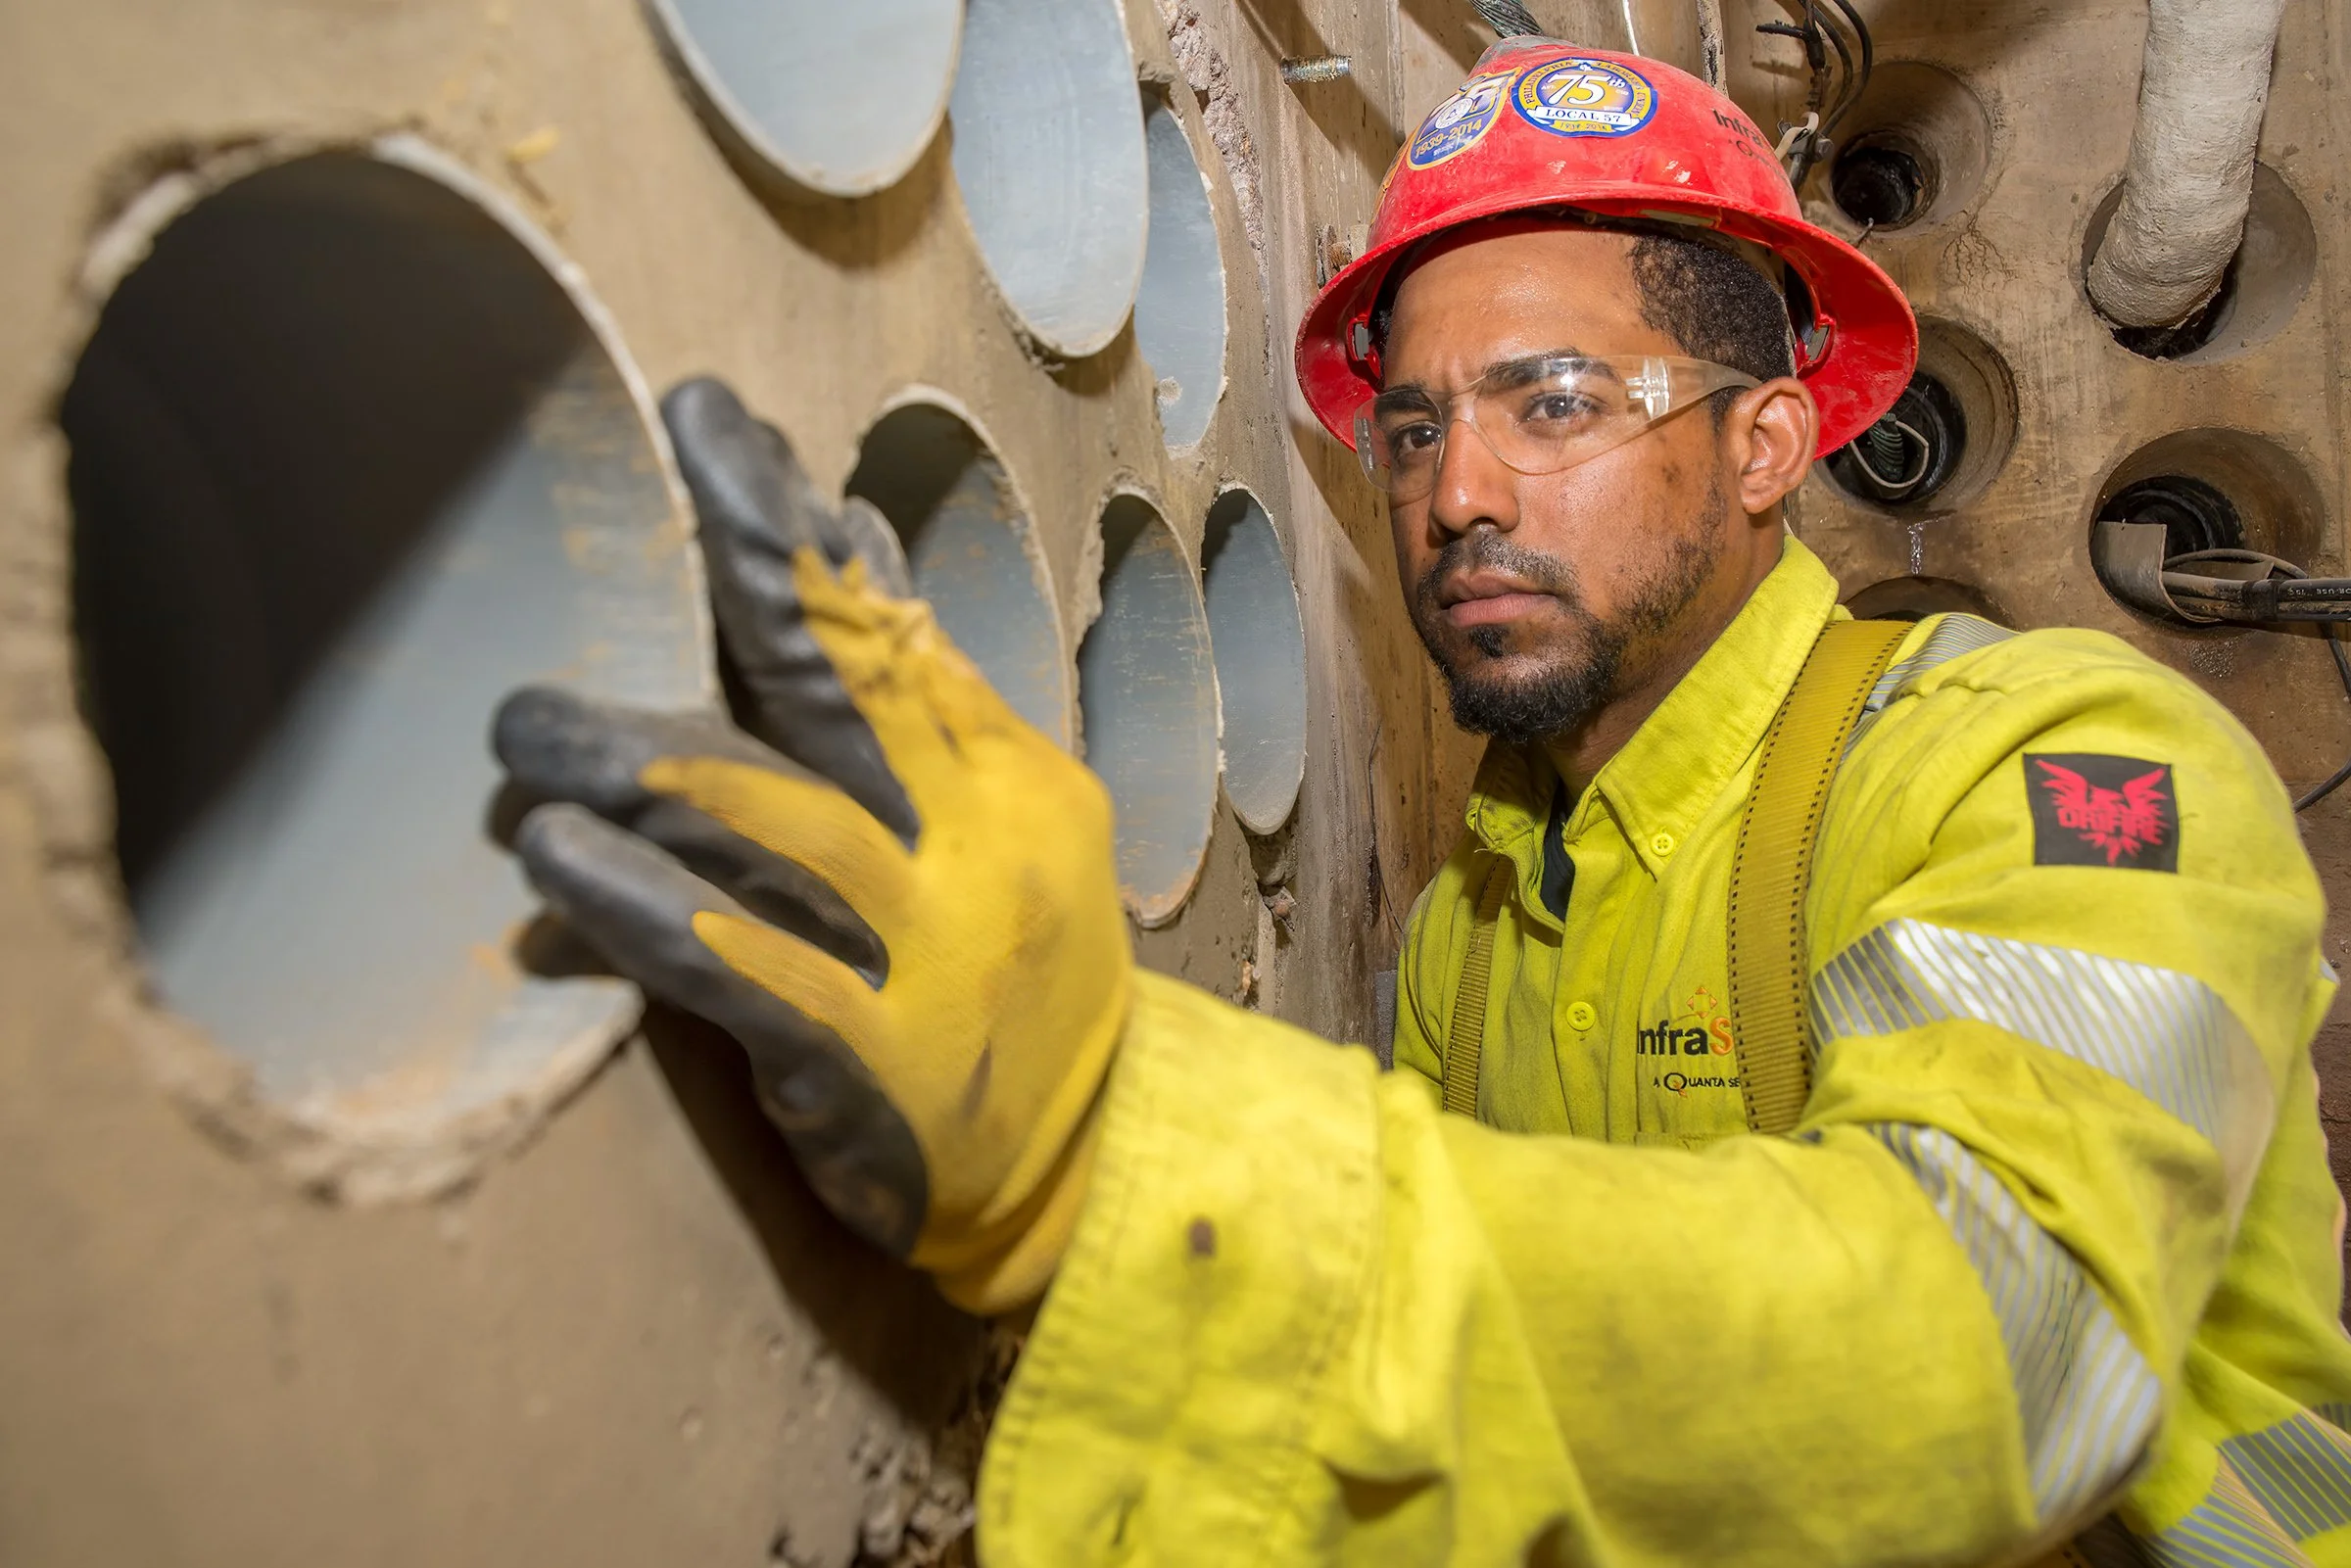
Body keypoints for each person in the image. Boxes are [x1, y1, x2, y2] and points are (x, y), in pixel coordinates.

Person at [492, 38, 2351, 1567]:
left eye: (1556, 404)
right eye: (1413, 425)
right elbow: (1481, 1440)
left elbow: (2003, 1353)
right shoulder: (1476, 923)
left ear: (1769, 441)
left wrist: (1112, 1148)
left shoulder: (2054, 766)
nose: (1456, 493)